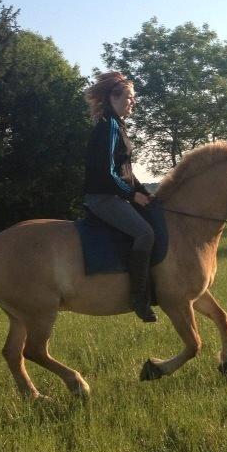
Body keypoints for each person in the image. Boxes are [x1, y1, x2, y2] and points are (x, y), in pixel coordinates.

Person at [83, 72, 157, 322]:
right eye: (129, 97)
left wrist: (145, 193)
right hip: (103, 198)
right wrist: (130, 195)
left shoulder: (117, 125)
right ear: (114, 97)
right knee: (145, 233)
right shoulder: (109, 126)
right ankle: (138, 297)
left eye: (133, 98)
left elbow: (125, 169)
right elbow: (107, 172)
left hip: (115, 195)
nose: (133, 102)